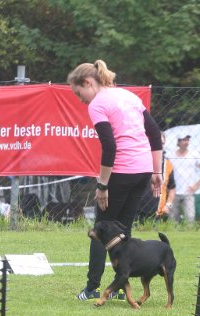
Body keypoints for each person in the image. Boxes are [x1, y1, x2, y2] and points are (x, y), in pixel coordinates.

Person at [67, 60, 163, 301]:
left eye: (79, 93)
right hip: (143, 171)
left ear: (88, 82)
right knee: (123, 230)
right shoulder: (129, 96)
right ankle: (121, 288)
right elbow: (154, 133)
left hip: (122, 171)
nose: (81, 100)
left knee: (101, 229)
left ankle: (92, 288)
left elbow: (109, 146)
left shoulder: (98, 104)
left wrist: (102, 185)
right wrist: (157, 171)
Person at [167, 134, 200, 223]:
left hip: (188, 192)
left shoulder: (194, 155)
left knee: (190, 218)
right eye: (184, 140)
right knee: (172, 219)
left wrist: (197, 185)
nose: (186, 142)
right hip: (173, 193)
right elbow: (165, 173)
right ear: (178, 142)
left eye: (188, 140)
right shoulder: (170, 156)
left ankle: (190, 231)